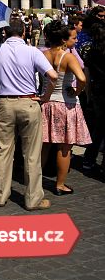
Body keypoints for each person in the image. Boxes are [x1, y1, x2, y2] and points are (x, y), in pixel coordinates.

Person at [0, 19, 58, 210]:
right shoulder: (32, 51)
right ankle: (33, 199)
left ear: (5, 33)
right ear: (24, 32)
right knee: (31, 154)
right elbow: (53, 76)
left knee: (2, 151)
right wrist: (45, 96)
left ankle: (0, 196)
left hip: (4, 103)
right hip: (29, 102)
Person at [40, 22, 90, 195]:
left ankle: (36, 180)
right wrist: (77, 91)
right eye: (73, 38)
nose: (75, 41)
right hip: (65, 103)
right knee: (64, 147)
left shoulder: (43, 54)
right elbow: (82, 78)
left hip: (46, 103)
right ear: (63, 39)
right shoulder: (68, 57)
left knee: (44, 145)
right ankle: (60, 184)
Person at [82, 22, 105, 172]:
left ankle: (89, 158)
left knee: (98, 127)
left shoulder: (91, 52)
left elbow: (87, 75)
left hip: (98, 91)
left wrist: (88, 94)